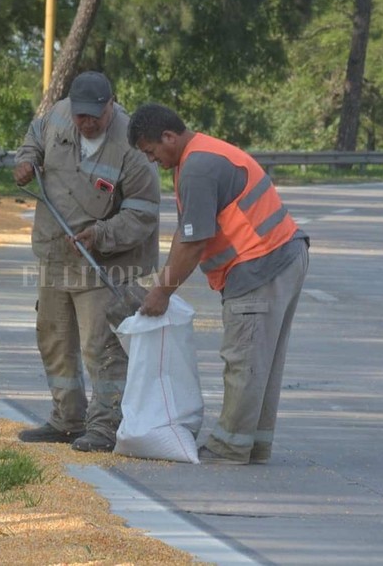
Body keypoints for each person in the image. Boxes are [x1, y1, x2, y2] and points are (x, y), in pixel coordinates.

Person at [126, 103, 309, 465]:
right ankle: (253, 444)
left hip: (259, 265)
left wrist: (162, 292)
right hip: (280, 257)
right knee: (261, 361)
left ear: (169, 137)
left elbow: (194, 242)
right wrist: (162, 282)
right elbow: (185, 232)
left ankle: (229, 447)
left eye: (151, 151)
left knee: (243, 359)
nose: (152, 160)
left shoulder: (197, 168)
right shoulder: (199, 155)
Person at [13, 71, 161, 452]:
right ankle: (67, 419)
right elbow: (33, 137)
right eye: (81, 115)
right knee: (54, 338)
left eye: (95, 114)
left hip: (104, 263)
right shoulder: (58, 116)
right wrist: (27, 160)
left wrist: (102, 234)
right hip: (55, 253)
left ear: (111, 104)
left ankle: (105, 426)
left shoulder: (132, 148)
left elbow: (144, 212)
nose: (87, 122)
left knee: (102, 348)